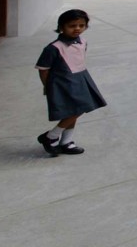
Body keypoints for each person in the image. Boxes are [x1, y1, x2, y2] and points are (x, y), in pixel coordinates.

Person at [35, 9, 106, 156]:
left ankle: (66, 141)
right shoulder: (54, 48)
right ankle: (51, 136)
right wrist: (47, 86)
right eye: (72, 26)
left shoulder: (83, 42)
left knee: (74, 110)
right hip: (62, 82)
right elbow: (43, 69)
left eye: (81, 25)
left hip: (81, 78)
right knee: (77, 109)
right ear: (61, 27)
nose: (77, 29)